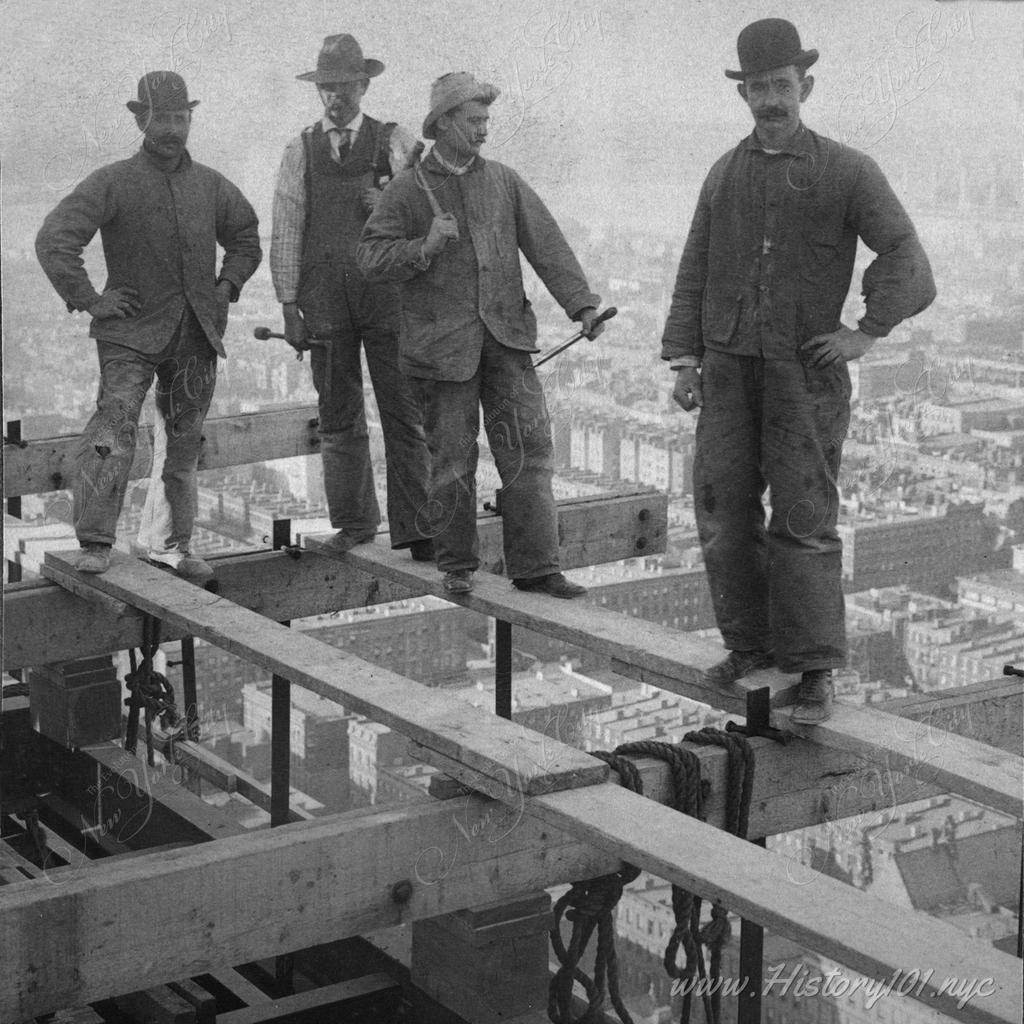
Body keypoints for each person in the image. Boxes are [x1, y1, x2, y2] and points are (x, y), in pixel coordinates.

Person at [661, 20, 935, 723]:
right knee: (723, 514)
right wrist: (685, 359)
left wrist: (864, 332)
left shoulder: (848, 170)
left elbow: (907, 257)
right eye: (758, 88)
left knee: (805, 519)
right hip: (726, 371)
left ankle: (813, 670)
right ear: (744, 93)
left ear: (804, 86)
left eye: (782, 86)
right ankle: (750, 647)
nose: (770, 100)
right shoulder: (724, 173)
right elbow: (695, 268)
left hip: (802, 376)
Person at [357, 72, 605, 597]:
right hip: (442, 354)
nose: (484, 131)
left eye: (486, 120)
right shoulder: (405, 191)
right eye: (474, 121)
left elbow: (548, 244)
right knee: (451, 460)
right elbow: (370, 258)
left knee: (530, 449)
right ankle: (456, 567)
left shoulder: (504, 181)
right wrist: (424, 245)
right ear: (444, 123)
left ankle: (537, 567)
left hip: (506, 341)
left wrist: (581, 305)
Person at [36, 71, 261, 581]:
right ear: (141, 120)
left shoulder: (211, 185)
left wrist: (226, 287)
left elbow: (245, 237)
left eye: (181, 117)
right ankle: (95, 542)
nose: (172, 128)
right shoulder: (112, 180)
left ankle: (169, 543)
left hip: (196, 335)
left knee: (182, 442)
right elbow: (55, 239)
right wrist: (90, 298)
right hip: (129, 335)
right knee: (111, 434)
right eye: (162, 117)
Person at [271, 34, 433, 559]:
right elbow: (288, 227)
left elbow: (432, 214)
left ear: (363, 85)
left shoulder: (396, 141)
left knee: (404, 414)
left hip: (387, 298)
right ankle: (356, 523)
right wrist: (288, 305)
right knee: (338, 416)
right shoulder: (301, 149)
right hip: (325, 302)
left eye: (344, 86)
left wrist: (389, 200)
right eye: (326, 88)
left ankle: (420, 528)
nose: (335, 96)